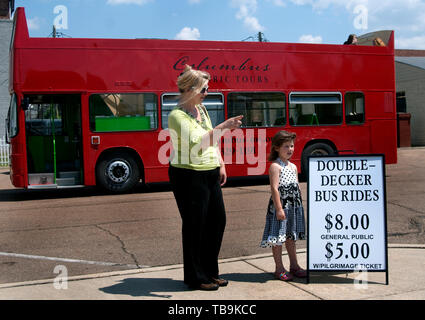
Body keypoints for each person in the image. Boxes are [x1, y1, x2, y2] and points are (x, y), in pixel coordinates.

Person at [168, 65, 243, 291]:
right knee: (195, 226)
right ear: (190, 90)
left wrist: (221, 164)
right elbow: (198, 143)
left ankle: (210, 272)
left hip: (209, 172)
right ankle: (195, 276)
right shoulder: (176, 116)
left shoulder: (203, 111)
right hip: (188, 175)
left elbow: (212, 141)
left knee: (217, 222)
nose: (207, 93)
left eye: (207, 89)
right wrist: (225, 126)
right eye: (203, 89)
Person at [260, 130, 306, 281]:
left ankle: (295, 265)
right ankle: (279, 268)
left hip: (293, 207)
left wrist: (299, 206)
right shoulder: (275, 166)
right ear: (276, 148)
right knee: (278, 238)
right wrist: (279, 209)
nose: (290, 149)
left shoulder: (293, 166)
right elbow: (274, 188)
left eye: (292, 146)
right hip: (281, 207)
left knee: (291, 237)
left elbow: (297, 186)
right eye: (286, 146)